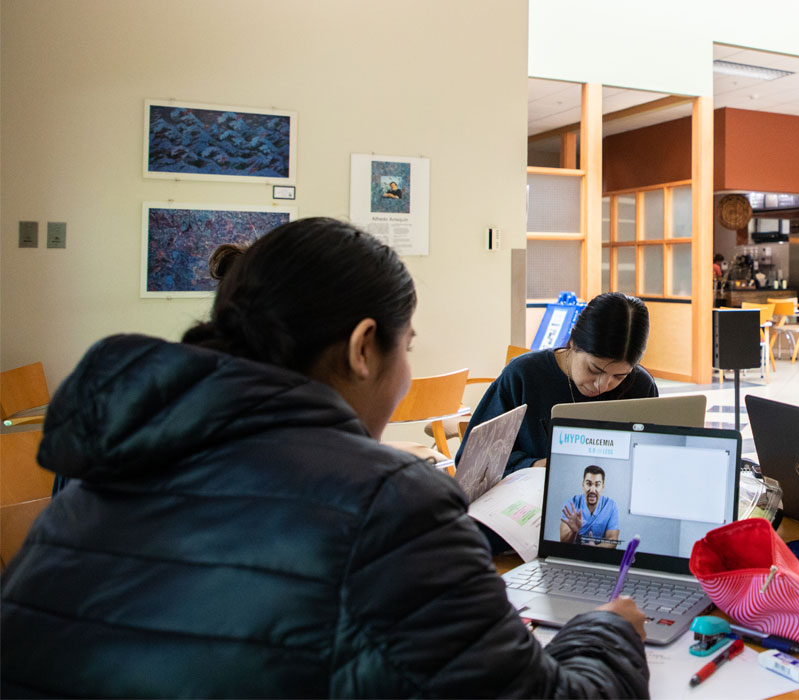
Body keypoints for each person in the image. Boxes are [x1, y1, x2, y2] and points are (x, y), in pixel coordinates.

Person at [0, 218, 649, 698]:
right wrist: (605, 632)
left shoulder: (97, 462)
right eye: (409, 345)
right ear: (365, 347)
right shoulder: (389, 504)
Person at [457, 292, 658, 476]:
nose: (602, 385)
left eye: (619, 376)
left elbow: (654, 460)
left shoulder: (641, 386)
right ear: (573, 343)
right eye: (594, 370)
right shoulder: (525, 375)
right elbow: (472, 461)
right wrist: (533, 465)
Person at [560, 465, 620, 547]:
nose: (592, 489)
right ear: (583, 485)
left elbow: (613, 540)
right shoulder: (571, 504)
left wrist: (595, 548)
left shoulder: (611, 506)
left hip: (599, 556)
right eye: (588, 484)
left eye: (597, 485)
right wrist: (574, 532)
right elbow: (563, 542)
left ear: (602, 487)